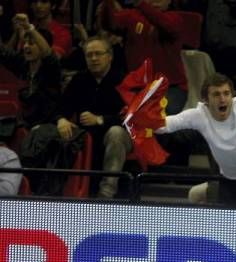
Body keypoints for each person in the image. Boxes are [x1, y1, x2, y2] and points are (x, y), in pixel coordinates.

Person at [155, 71, 236, 208]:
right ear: (206, 99)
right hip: (232, 178)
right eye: (216, 94)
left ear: (232, 95)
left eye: (226, 93)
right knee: (228, 223)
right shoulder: (199, 115)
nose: (222, 99)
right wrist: (142, 119)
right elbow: (164, 126)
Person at [54, 36, 130, 198]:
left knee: (115, 132)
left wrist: (100, 119)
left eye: (98, 54)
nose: (93, 58)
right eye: (89, 55)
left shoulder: (124, 80)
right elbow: (62, 106)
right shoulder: (79, 80)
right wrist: (61, 119)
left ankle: (106, 193)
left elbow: (132, 117)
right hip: (86, 136)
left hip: (120, 136)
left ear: (110, 56)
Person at [100, 0, 187, 115]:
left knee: (161, 118)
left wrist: (141, 4)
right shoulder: (132, 16)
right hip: (139, 87)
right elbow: (109, 24)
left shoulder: (176, 18)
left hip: (170, 87)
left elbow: (165, 24)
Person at [0, 16, 61, 129]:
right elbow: (2, 51)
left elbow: (48, 53)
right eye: (25, 43)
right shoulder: (22, 64)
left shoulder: (51, 68)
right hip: (25, 125)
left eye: (32, 43)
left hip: (47, 126)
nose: (26, 46)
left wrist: (29, 28)